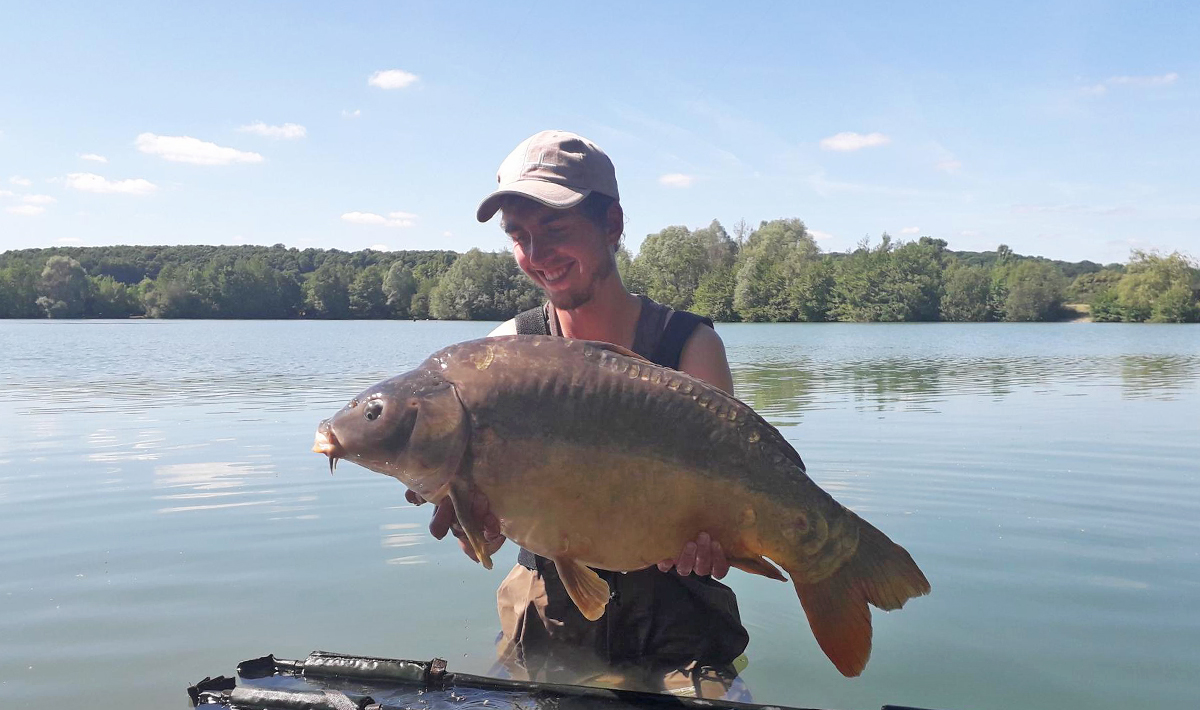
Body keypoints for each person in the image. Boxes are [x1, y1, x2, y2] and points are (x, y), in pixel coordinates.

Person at [408, 130, 749, 698]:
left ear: (612, 225)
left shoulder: (689, 346)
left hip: (679, 633)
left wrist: (717, 541)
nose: (537, 257)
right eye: (519, 237)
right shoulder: (503, 353)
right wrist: (476, 529)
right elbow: (485, 547)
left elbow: (727, 510)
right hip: (547, 624)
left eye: (556, 230)